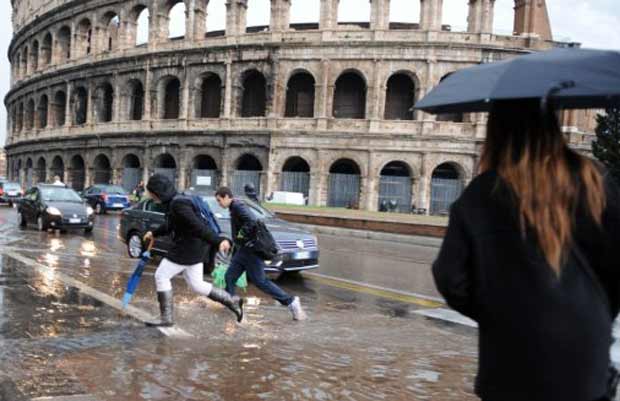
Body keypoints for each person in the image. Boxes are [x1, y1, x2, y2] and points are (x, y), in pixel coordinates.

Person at [432, 100, 620, 401]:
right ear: (551, 126)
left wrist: (500, 313)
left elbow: (450, 277)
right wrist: (596, 310)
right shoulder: (596, 182)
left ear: (498, 132)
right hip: (585, 357)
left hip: (510, 362)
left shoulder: (483, 193)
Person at [143, 174, 244, 327]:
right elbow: (171, 225)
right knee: (196, 284)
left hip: (187, 248)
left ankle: (166, 318)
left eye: (151, 192)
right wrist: (154, 233)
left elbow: (197, 226)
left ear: (158, 191)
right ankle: (232, 301)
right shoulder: (178, 199)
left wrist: (218, 240)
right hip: (197, 248)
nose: (149, 195)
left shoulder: (178, 204)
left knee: (161, 275)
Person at [214, 186, 307, 321]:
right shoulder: (235, 207)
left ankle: (291, 302)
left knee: (260, 281)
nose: (219, 203)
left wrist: (240, 235)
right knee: (230, 277)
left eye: (219, 200)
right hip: (243, 250)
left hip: (251, 250)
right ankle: (231, 304)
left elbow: (251, 221)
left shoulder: (237, 206)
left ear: (227, 197)